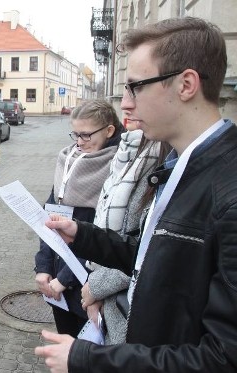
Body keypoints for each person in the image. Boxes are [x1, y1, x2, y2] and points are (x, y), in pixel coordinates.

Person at [35, 17, 237, 372]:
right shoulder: (179, 164)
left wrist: (88, 359)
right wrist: (83, 235)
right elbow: (154, 262)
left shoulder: (227, 192)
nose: (125, 103)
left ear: (186, 84)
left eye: (135, 87)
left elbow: (221, 358)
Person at [34, 99, 123, 338]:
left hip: (89, 285)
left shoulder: (119, 168)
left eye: (86, 135)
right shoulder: (69, 160)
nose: (79, 143)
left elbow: (104, 235)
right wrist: (43, 267)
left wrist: (64, 280)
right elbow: (49, 217)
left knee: (86, 353)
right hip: (56, 279)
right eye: (75, 134)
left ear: (109, 131)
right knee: (66, 341)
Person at [80, 124, 167, 345]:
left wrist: (96, 287)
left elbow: (152, 251)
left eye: (135, 89)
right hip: (105, 293)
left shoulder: (166, 161)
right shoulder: (128, 153)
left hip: (132, 313)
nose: (127, 103)